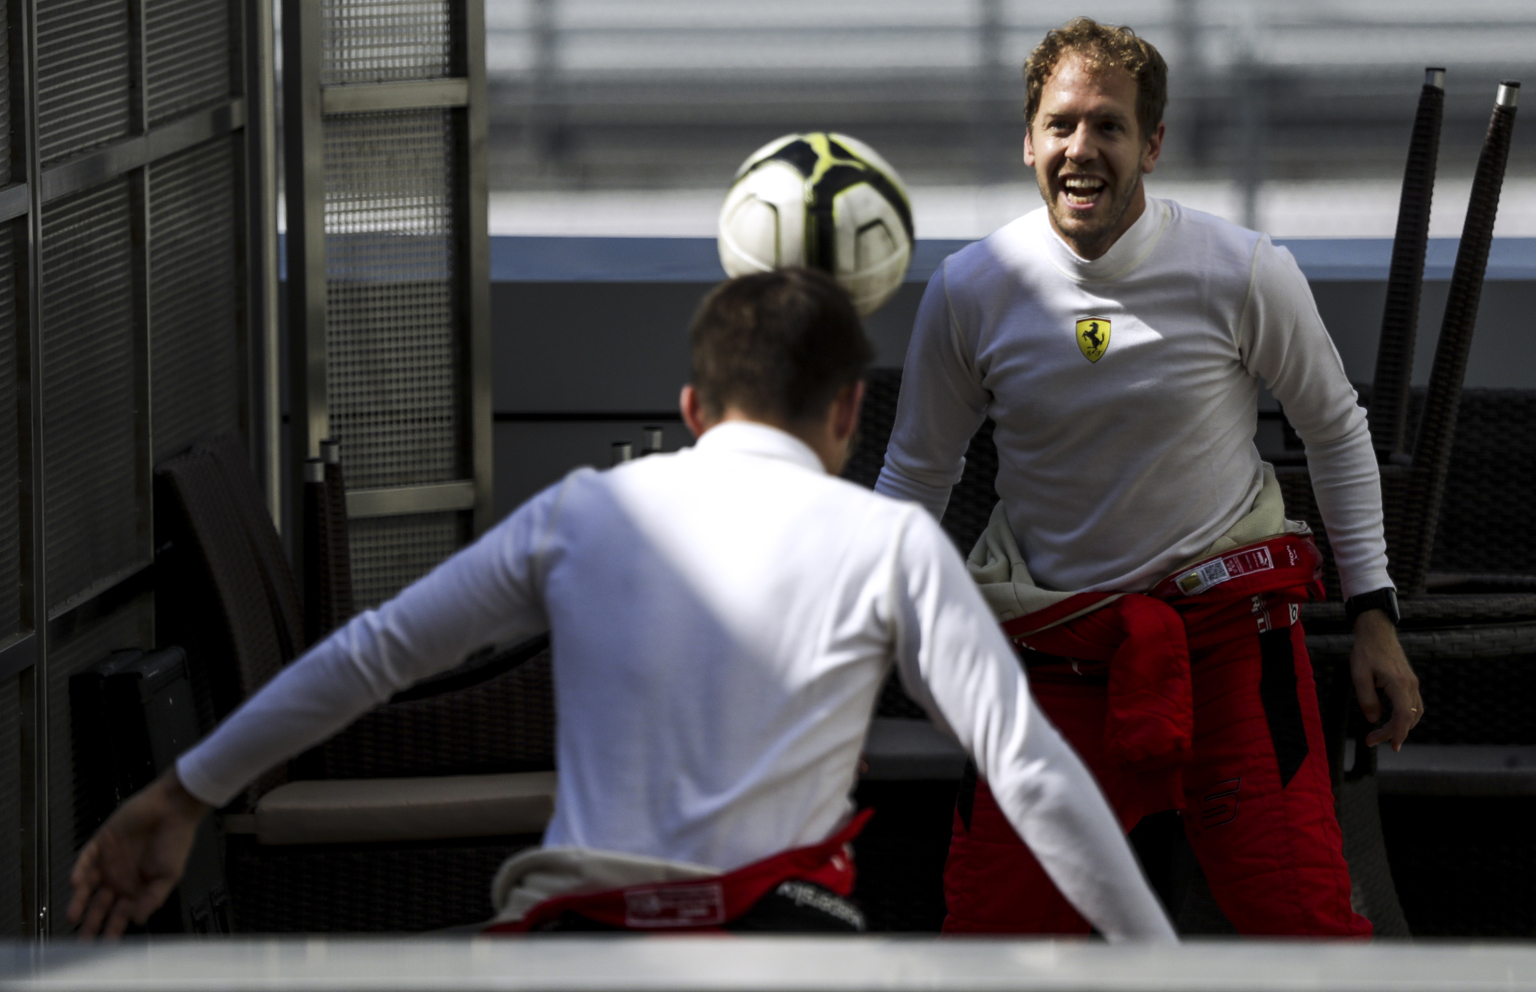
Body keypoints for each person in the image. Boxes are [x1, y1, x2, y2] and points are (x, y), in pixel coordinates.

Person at [68, 268, 1176, 941]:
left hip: (568, 938)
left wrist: (181, 791)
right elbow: (1024, 762)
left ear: (692, 405)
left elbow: (371, 655)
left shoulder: (583, 512)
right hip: (786, 939)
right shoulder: (885, 539)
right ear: (850, 412)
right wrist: (1161, 959)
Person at [874, 18, 1422, 937]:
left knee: (1310, 938)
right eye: (1060, 125)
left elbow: (1334, 429)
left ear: (1153, 145)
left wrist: (1374, 613)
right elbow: (918, 469)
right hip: (1049, 656)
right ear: (1028, 139)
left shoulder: (1242, 270)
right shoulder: (972, 287)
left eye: (1109, 127)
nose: (1081, 150)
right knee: (985, 949)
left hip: (1230, 645)